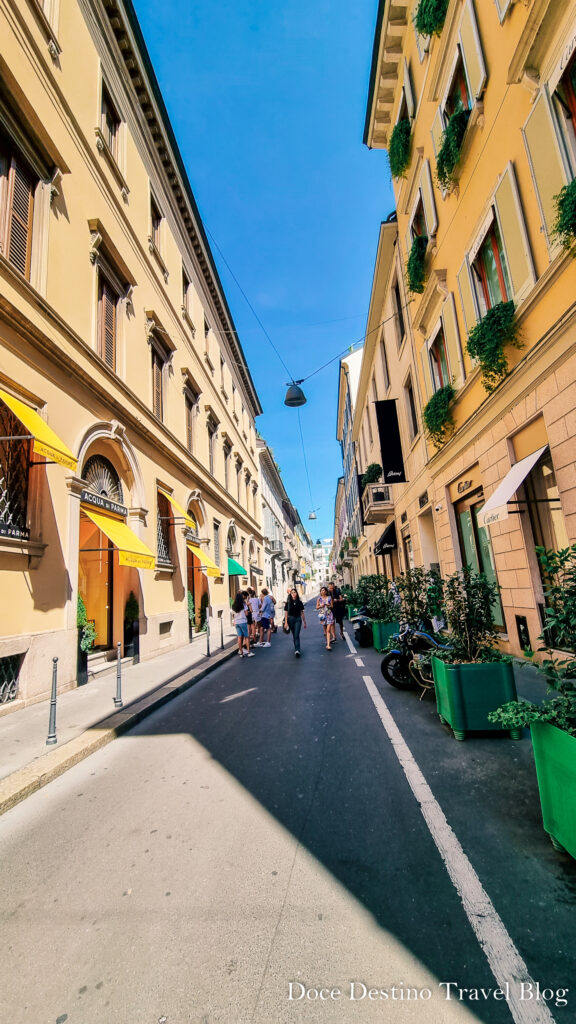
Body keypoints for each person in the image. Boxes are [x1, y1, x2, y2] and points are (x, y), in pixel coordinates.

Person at [284, 587, 306, 656]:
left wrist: (304, 622)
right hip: (290, 620)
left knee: (296, 635)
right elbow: (286, 613)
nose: (293, 594)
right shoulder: (288, 603)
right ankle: (296, 648)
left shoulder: (299, 602)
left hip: (298, 619)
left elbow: (302, 613)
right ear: (290, 594)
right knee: (294, 635)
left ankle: (297, 650)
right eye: (292, 593)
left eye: (294, 592)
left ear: (296, 593)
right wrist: (286, 622)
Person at [232, 591, 255, 657]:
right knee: (246, 637)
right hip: (243, 621)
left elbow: (233, 614)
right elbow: (246, 613)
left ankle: (241, 652)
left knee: (239, 637)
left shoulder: (233, 605)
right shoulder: (244, 604)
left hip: (237, 622)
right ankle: (248, 652)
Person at [316, 586, 335, 650]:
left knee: (328, 630)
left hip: (329, 614)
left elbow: (332, 606)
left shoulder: (329, 598)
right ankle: (328, 641)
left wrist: (328, 605)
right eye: (321, 590)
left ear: (326, 591)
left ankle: (328, 645)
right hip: (322, 615)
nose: (322, 591)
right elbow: (317, 607)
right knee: (325, 631)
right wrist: (321, 606)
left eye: (323, 590)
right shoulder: (319, 598)